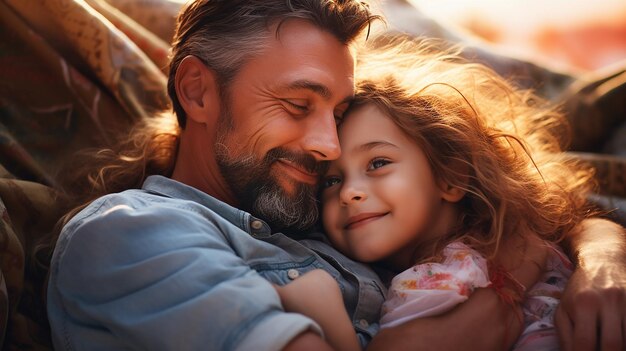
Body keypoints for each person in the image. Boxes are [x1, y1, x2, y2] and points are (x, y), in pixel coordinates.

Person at [45, 1, 626, 350]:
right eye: (299, 106)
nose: (327, 147)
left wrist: (603, 260)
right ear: (198, 92)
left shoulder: (313, 212)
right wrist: (505, 289)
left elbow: (539, 208)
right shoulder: (132, 233)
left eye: (338, 114)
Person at [276, 37, 600, 351]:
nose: (349, 193)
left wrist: (326, 316)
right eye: (331, 182)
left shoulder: (436, 281)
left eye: (378, 163)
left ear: (450, 177)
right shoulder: (527, 243)